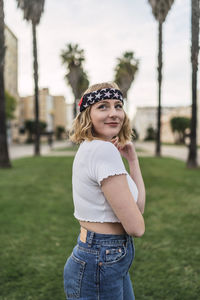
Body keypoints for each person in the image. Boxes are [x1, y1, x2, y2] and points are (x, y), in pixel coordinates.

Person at [63, 82, 146, 300]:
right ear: (87, 114)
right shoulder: (102, 151)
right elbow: (136, 226)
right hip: (102, 259)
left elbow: (138, 207)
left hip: (104, 257)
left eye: (118, 105)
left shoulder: (95, 147)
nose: (114, 113)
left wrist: (133, 160)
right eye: (103, 106)